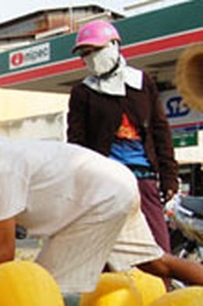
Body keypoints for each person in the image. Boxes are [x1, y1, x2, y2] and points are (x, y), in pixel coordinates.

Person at [0, 94, 203, 293]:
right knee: (155, 263)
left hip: (101, 198)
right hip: (113, 184)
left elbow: (4, 251)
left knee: (43, 289)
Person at [67, 20, 178, 253]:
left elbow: (160, 130)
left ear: (115, 45)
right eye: (85, 54)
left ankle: (166, 288)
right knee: (107, 249)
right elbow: (76, 143)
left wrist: (169, 175)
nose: (91, 57)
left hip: (143, 177)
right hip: (106, 181)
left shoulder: (141, 82)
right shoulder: (82, 92)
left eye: (96, 50)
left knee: (158, 246)